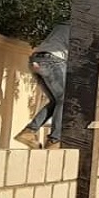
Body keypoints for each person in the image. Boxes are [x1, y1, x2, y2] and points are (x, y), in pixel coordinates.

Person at [14, 22, 70, 150]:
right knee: (65, 100)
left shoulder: (63, 24)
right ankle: (54, 140)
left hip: (36, 59)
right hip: (52, 61)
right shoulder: (82, 27)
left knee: (56, 101)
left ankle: (29, 132)